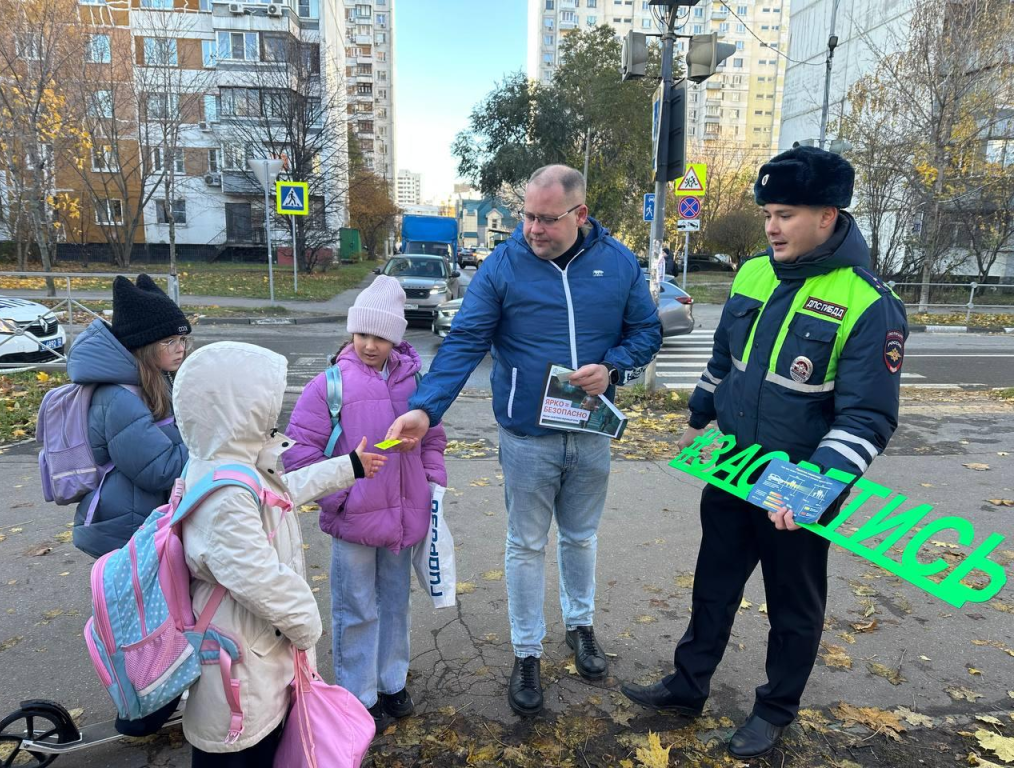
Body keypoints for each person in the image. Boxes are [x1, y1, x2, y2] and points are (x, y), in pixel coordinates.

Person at [620, 145, 908, 759]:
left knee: (793, 606)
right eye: (768, 214)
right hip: (732, 466)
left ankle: (774, 711)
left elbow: (867, 416)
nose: (772, 226)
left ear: (828, 215)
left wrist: (816, 487)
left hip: (798, 485)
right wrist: (701, 414)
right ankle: (686, 687)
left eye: (786, 214)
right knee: (713, 588)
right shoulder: (753, 273)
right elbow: (726, 360)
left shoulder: (867, 302)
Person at [385, 165, 663, 716]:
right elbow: (465, 340)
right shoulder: (504, 265)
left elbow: (646, 331)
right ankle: (526, 651)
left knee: (580, 538)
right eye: (527, 216)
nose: (532, 229)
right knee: (526, 544)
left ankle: (580, 627)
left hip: (590, 431)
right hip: (526, 436)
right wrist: (425, 408)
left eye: (546, 219)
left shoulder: (618, 261)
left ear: (579, 215)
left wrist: (613, 366)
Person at [174, 341, 386, 767]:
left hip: (254, 650)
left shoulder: (227, 464)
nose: (273, 415)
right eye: (264, 404)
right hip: (239, 666)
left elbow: (282, 493)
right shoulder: (227, 495)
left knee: (266, 739)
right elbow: (260, 580)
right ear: (239, 408)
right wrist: (307, 626)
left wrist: (349, 467)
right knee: (243, 752)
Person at [282, 276, 447, 734]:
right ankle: (359, 694)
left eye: (380, 336)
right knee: (356, 608)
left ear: (396, 337)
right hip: (354, 520)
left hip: (403, 517)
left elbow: (433, 436)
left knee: (395, 603)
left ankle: (391, 681)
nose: (370, 345)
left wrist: (432, 480)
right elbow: (300, 452)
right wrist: (342, 493)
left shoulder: (416, 383)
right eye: (362, 334)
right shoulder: (329, 385)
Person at [67, 274, 191, 735]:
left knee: (156, 620)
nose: (181, 347)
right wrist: (207, 445)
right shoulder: (119, 397)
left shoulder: (149, 383)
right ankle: (145, 710)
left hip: (138, 519)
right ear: (144, 345)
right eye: (170, 340)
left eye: (183, 338)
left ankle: (151, 704)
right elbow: (159, 467)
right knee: (146, 626)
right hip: (124, 525)